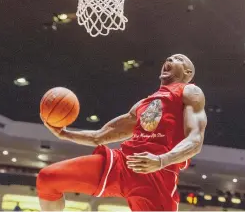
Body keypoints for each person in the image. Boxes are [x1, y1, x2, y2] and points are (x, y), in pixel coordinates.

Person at [37, 54, 207, 211]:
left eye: (177, 59)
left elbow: (196, 140)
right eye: (168, 58)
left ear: (187, 71)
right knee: (47, 178)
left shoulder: (190, 92)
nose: (169, 59)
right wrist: (65, 134)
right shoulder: (142, 104)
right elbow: (100, 136)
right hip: (121, 164)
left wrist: (162, 160)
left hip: (156, 175)